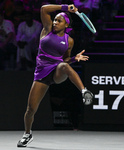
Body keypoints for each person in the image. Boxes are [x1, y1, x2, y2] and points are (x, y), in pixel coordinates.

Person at [17, 4, 93, 147]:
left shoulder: (69, 40)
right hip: (41, 73)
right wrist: (65, 7)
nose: (55, 22)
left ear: (66, 24)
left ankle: (84, 91)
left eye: (59, 21)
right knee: (30, 110)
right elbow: (44, 9)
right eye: (55, 20)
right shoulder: (46, 30)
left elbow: (65, 60)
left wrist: (73, 59)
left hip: (57, 71)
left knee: (65, 66)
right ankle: (27, 134)